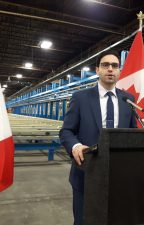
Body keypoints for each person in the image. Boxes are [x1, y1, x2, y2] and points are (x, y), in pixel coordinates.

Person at [59, 50, 137, 225]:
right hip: (86, 172)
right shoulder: (80, 98)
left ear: (119, 71)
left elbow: (133, 132)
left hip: (119, 174)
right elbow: (66, 131)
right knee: (84, 220)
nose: (110, 69)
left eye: (115, 66)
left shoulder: (128, 99)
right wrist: (75, 146)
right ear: (97, 70)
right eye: (105, 65)